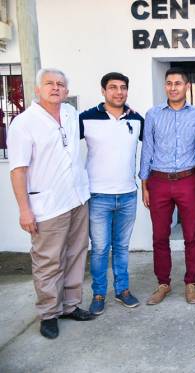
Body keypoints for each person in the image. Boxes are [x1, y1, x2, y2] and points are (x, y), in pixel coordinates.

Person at [8, 68, 93, 339]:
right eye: (49, 84)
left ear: (66, 91)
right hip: (48, 205)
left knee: (76, 254)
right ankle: (48, 313)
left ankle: (70, 305)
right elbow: (18, 169)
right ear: (37, 89)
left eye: (60, 84)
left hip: (77, 199)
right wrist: (24, 210)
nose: (55, 88)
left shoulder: (70, 114)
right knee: (48, 262)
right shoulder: (24, 123)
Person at [80, 72, 144, 315]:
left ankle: (123, 290)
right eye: (113, 87)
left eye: (123, 87)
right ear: (103, 91)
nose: (119, 92)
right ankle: (98, 294)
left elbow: (151, 149)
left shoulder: (136, 119)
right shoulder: (86, 118)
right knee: (99, 249)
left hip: (128, 195)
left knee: (121, 247)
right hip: (98, 197)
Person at [139, 67, 195, 305]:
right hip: (159, 181)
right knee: (159, 236)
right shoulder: (153, 114)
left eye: (178, 83)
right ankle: (163, 283)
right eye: (169, 83)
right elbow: (147, 150)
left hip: (188, 180)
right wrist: (145, 184)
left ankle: (191, 283)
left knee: (191, 235)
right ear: (165, 86)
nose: (173, 87)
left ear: (187, 87)